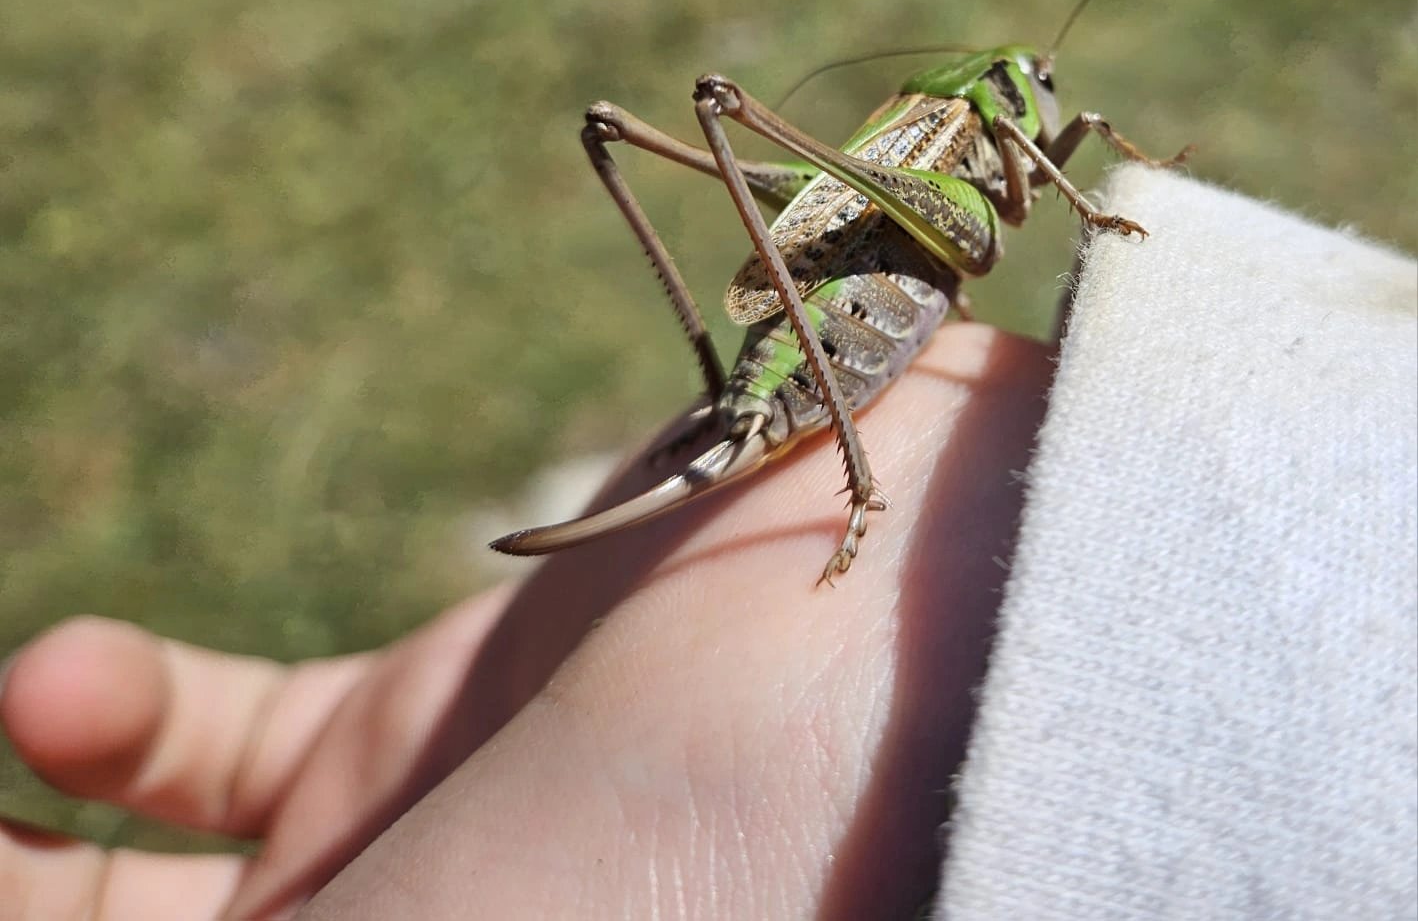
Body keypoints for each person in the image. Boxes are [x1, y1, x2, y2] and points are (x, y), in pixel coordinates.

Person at [3, 169, 1414, 919]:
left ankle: (781, 417)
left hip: (886, 317)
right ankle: (778, 416)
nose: (1041, 121)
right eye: (1028, 112)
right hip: (847, 327)